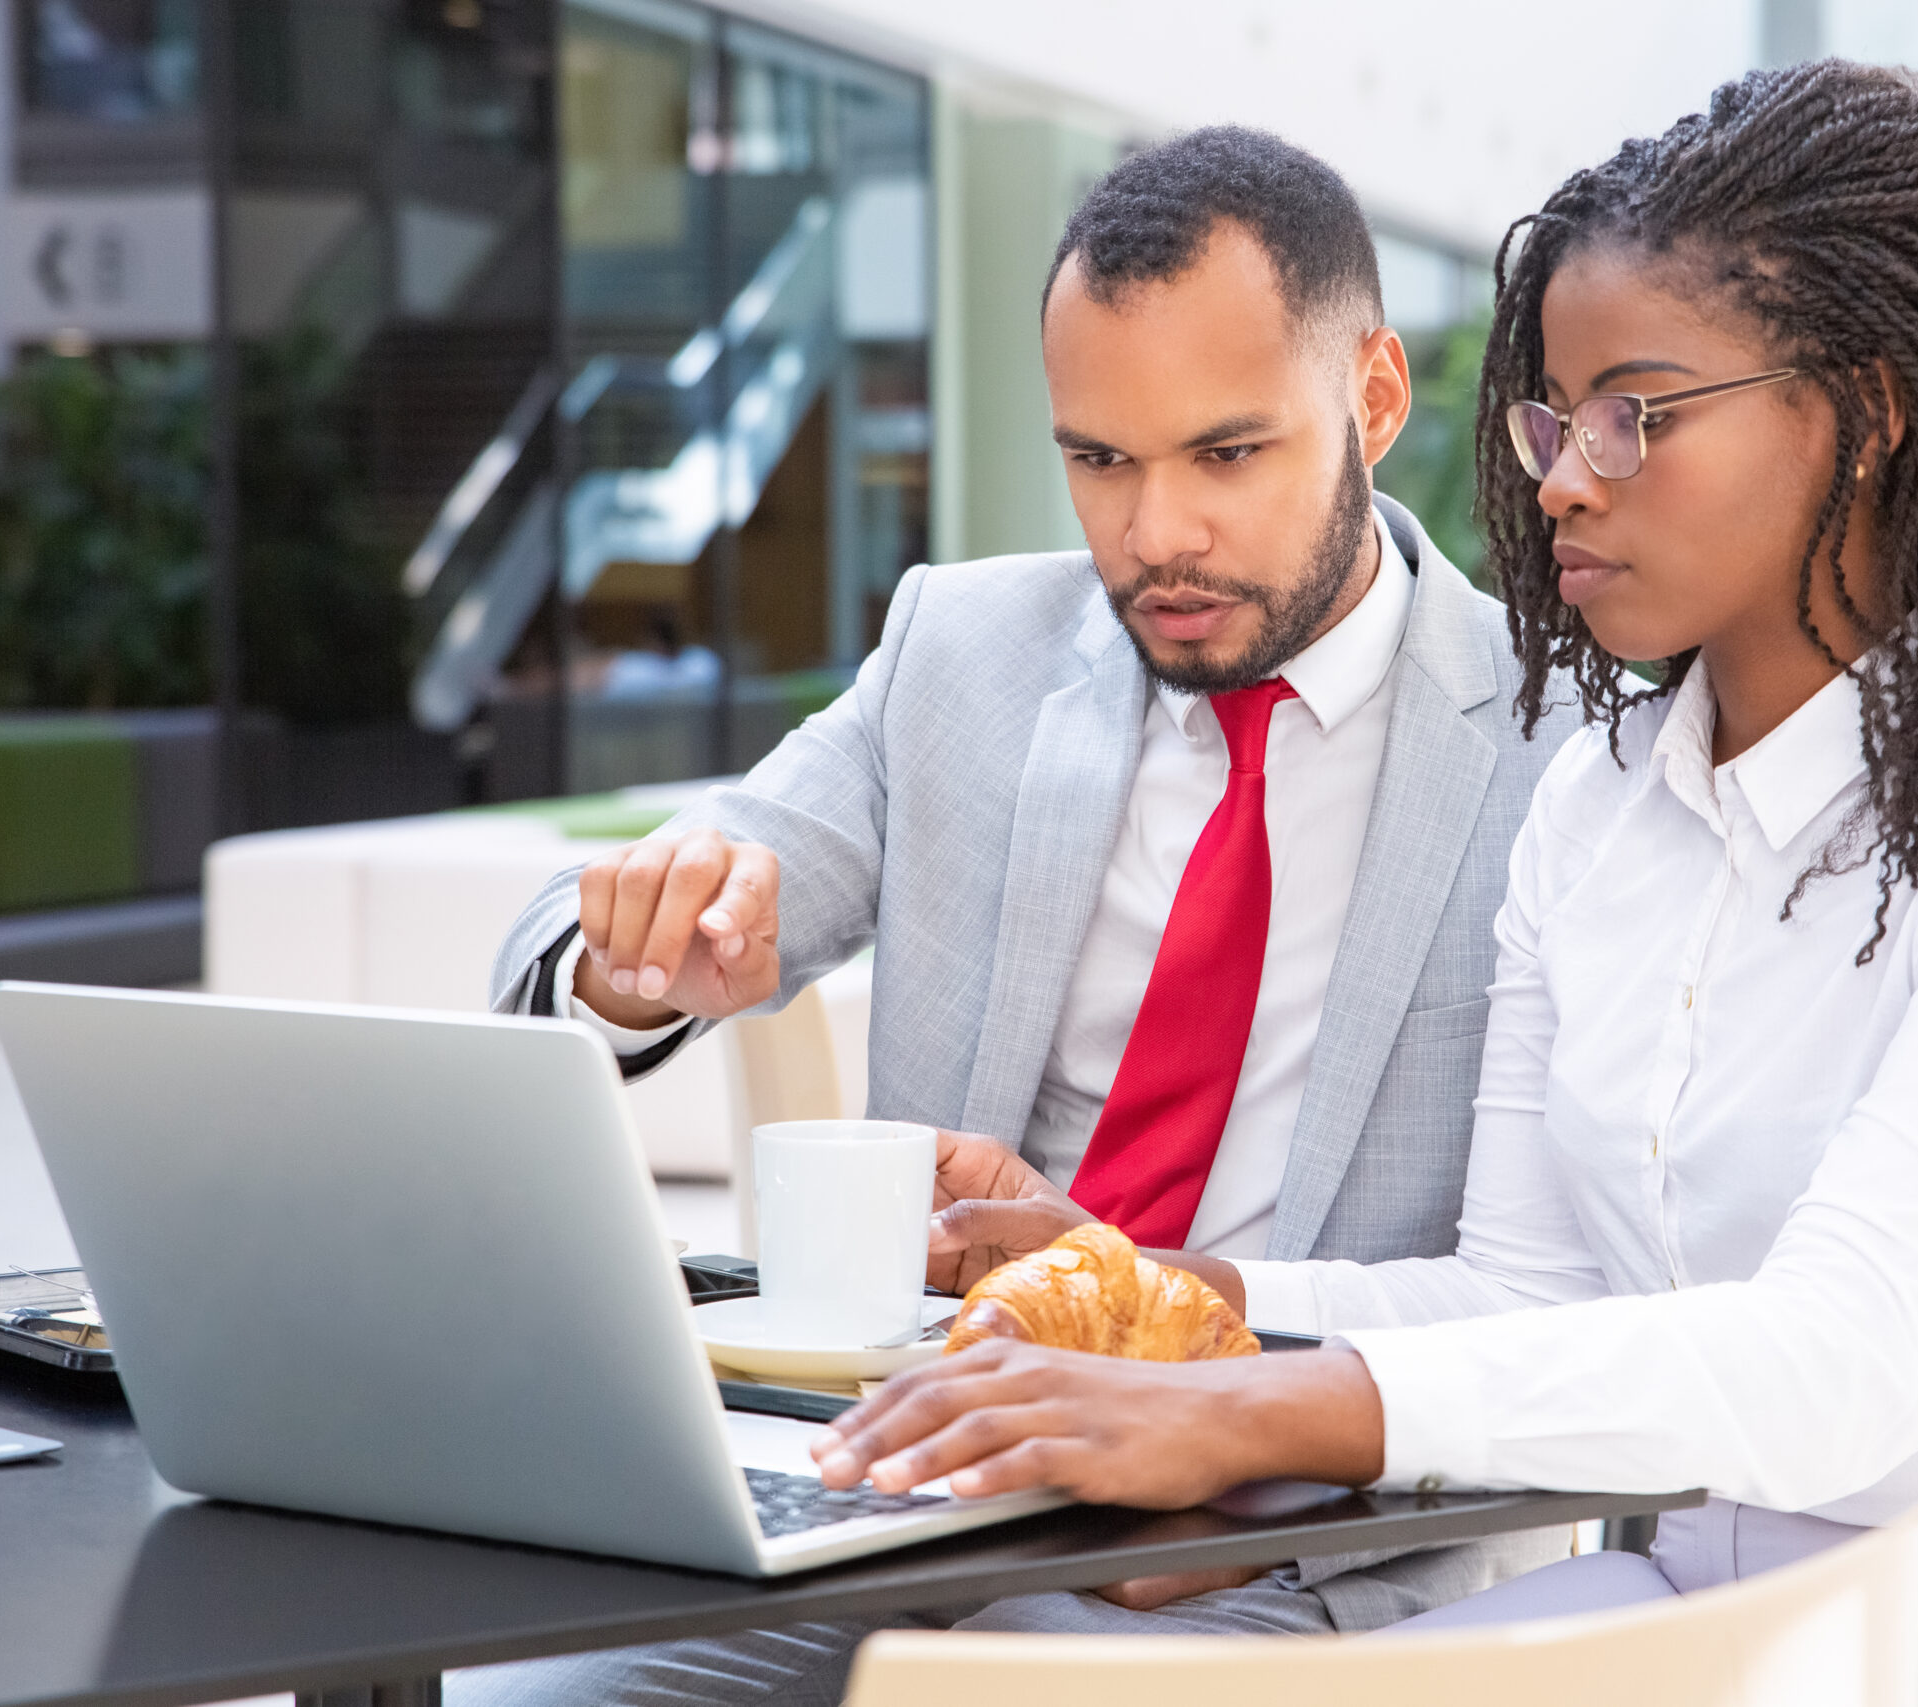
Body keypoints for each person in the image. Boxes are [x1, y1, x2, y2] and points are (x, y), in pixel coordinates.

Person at [792, 63, 1918, 1705]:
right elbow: (1517, 1291)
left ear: (1869, 412)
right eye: (1556, 417)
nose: (1563, 479)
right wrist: (1163, 1290)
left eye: (1637, 415)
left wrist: (1243, 1410)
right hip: (1695, 1600)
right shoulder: (1592, 808)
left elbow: (1847, 1360)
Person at [465, 127, 1578, 1704]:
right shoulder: (963, 651)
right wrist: (637, 954)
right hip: (912, 1509)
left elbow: (1572, 1294)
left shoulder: (1566, 755)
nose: (1154, 535)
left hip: (1303, 1560)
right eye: (1099, 460)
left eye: (1227, 453)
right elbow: (680, 878)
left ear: (1375, 400)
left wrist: (1170, 1331)